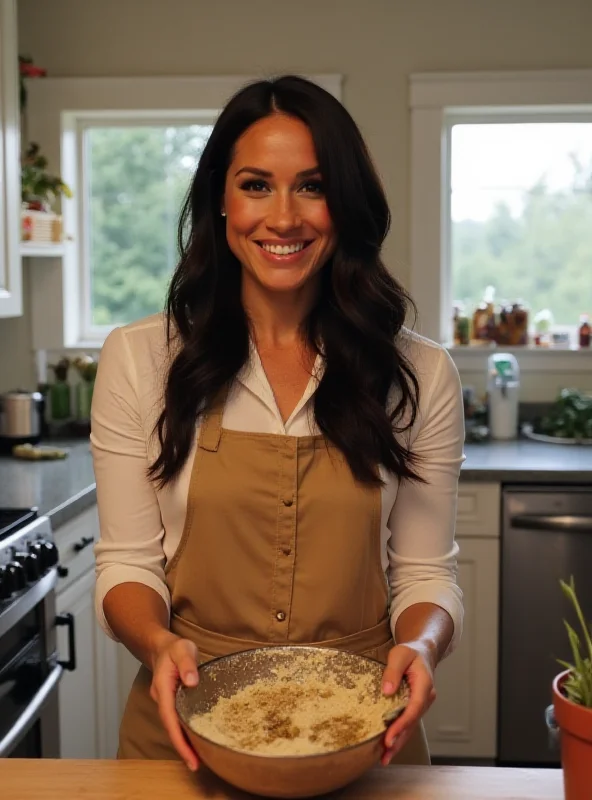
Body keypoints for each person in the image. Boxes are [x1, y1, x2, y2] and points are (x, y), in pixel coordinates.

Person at [91, 74, 465, 771]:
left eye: (314, 186)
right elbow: (128, 562)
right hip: (184, 733)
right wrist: (157, 644)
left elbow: (424, 574)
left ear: (345, 205)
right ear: (221, 201)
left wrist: (419, 646)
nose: (284, 217)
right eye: (256, 184)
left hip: (362, 735)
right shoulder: (139, 358)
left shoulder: (418, 373)